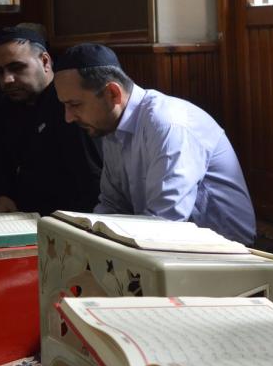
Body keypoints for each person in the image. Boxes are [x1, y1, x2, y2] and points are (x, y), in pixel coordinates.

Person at [53, 43, 256, 246]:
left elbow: (164, 224)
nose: (68, 117)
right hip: (171, 242)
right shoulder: (110, 126)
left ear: (113, 94)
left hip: (229, 251)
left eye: (75, 104)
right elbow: (112, 205)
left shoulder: (167, 124)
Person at [0, 25, 101, 214]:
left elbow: (91, 183)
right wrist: (2, 195)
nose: (7, 79)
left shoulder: (71, 106)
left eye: (16, 68)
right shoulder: (1, 105)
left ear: (45, 61)